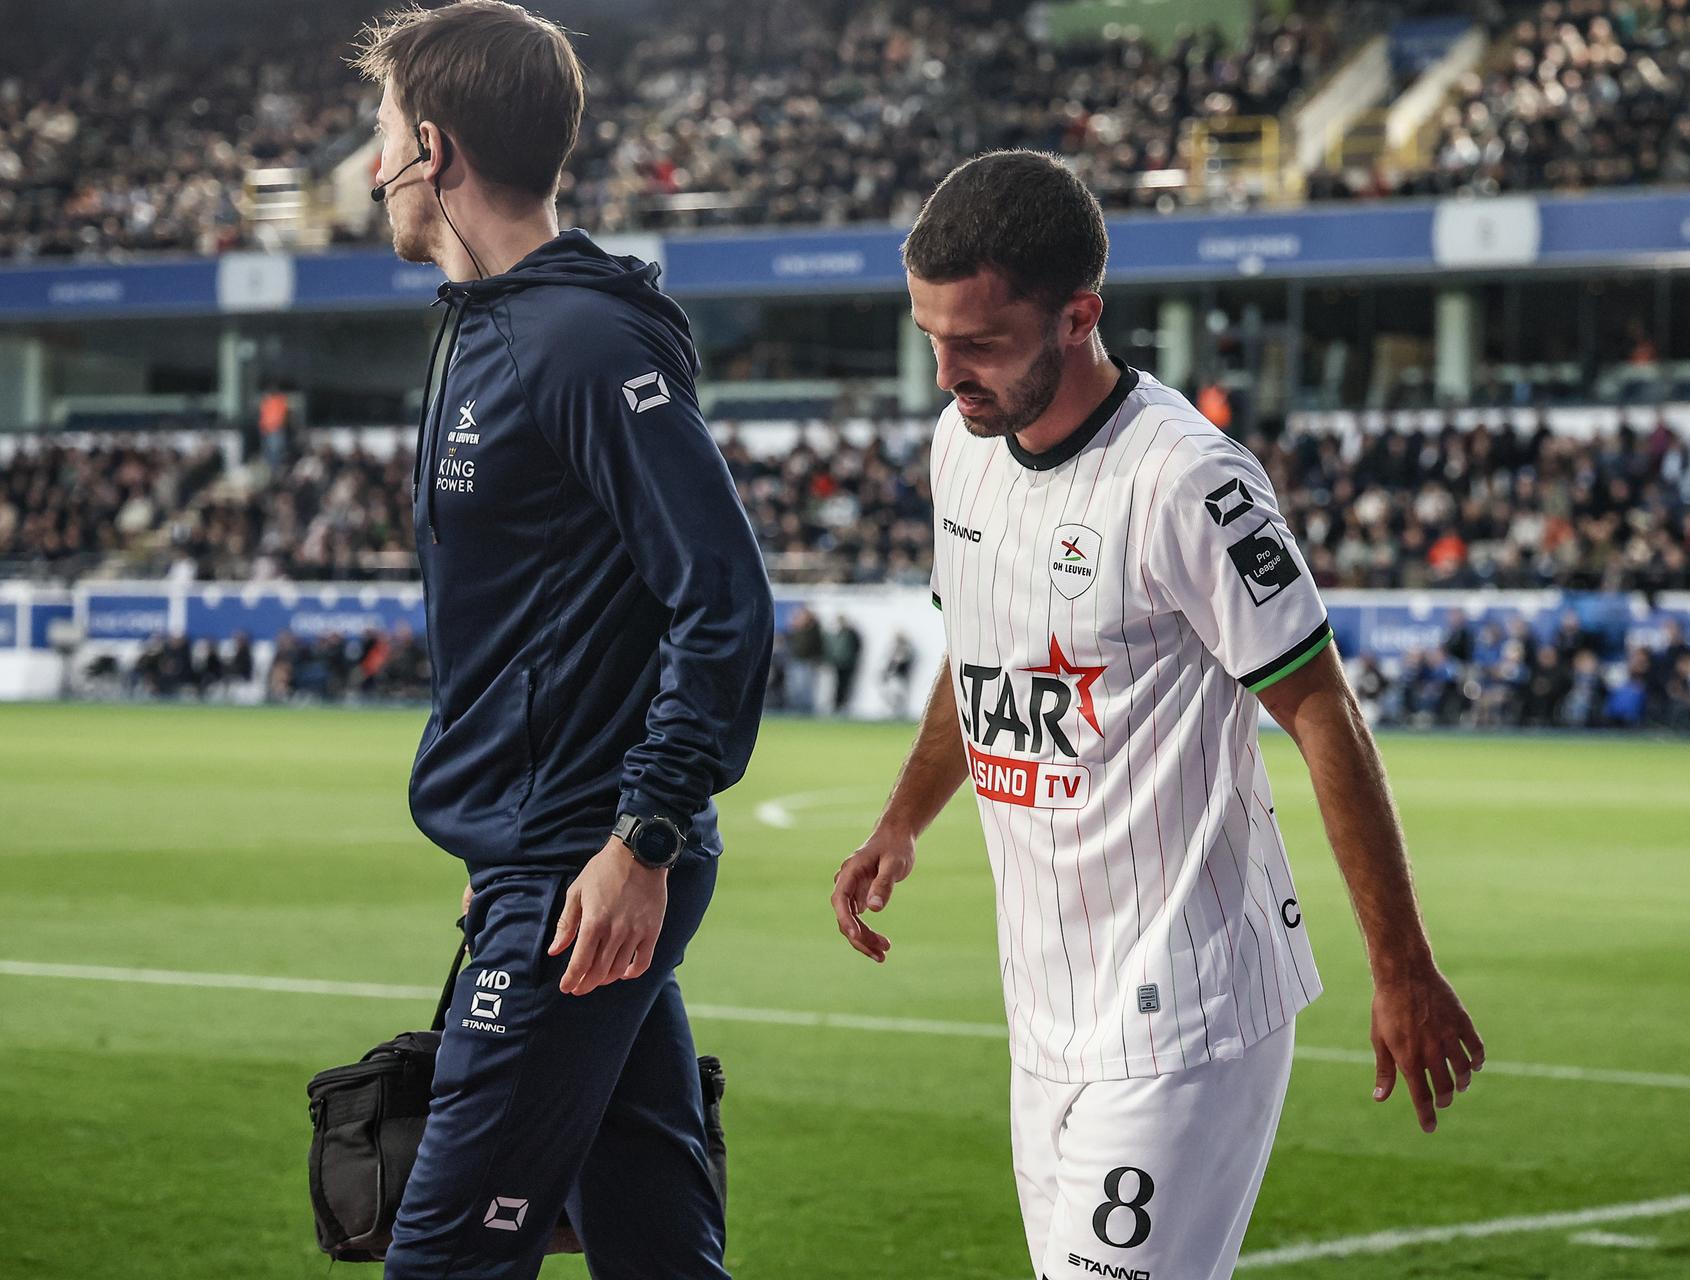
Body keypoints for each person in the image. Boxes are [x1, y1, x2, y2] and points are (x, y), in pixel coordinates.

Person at [828, 151, 1483, 1280]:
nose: (946, 373)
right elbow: (978, 654)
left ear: (1079, 316)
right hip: (1045, 1012)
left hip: (1189, 1005)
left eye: (978, 342)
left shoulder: (1187, 480)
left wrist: (1403, 965)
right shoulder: (961, 450)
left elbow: (1322, 710)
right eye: (931, 337)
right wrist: (903, 818)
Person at [354, 4, 773, 1277]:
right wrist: (508, 832)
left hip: (585, 867)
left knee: (441, 1260)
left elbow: (723, 597)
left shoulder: (581, 338)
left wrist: (639, 835)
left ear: (434, 148)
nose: (371, 166)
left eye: (382, 133)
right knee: (655, 1249)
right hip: (546, 860)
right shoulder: (492, 323)